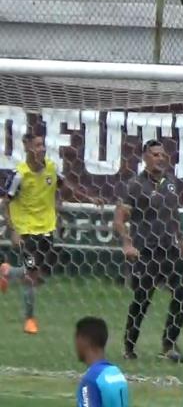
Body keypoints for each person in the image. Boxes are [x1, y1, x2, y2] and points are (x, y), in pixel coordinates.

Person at [1, 133, 101, 334]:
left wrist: (89, 198)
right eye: (37, 145)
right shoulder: (19, 175)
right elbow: (5, 204)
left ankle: (6, 272)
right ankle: (29, 320)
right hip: (25, 232)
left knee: (36, 272)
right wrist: (14, 231)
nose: (42, 149)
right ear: (27, 147)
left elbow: (66, 186)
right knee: (31, 275)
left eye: (43, 145)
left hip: (46, 229)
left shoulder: (51, 168)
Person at [114, 140, 183, 363]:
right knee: (142, 300)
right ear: (145, 158)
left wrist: (181, 238)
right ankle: (129, 347)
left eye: (162, 155)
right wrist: (127, 244)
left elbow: (173, 214)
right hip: (145, 252)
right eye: (155, 154)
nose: (160, 158)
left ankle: (169, 345)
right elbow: (119, 219)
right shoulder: (135, 185)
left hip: (170, 250)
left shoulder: (171, 182)